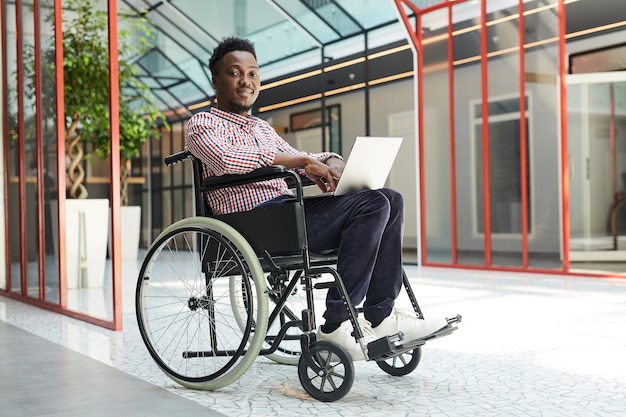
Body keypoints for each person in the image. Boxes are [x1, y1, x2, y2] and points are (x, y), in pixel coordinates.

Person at [185, 36, 447, 361]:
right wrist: (297, 163)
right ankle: (337, 325)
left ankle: (380, 318)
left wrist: (330, 160)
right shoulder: (202, 123)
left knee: (389, 199)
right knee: (373, 204)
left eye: (253, 73)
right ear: (216, 81)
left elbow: (298, 155)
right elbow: (227, 159)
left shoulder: (262, 129)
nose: (246, 81)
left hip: (284, 213)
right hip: (253, 223)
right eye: (235, 73)